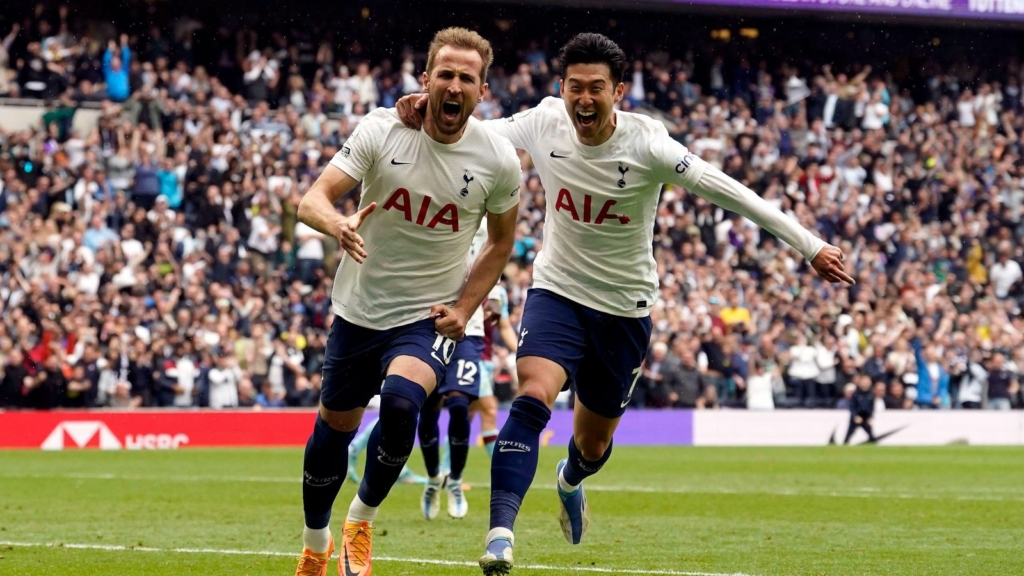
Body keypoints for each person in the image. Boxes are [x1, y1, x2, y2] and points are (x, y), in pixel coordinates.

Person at [397, 32, 852, 576]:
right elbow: (472, 131)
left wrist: (810, 245)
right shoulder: (544, 121)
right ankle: (500, 535)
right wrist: (420, 110)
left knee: (592, 444)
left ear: (618, 92)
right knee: (533, 395)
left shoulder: (649, 145)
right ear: (561, 88)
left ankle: (570, 479)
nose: (583, 100)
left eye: (596, 89)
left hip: (624, 308)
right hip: (557, 291)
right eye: (574, 88)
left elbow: (729, 190)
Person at [292, 28, 521, 576]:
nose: (455, 85)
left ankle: (360, 521)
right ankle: (314, 542)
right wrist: (337, 222)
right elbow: (311, 200)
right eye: (445, 74)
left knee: (400, 404)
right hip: (358, 308)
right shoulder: (383, 128)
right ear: (426, 80)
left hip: (426, 316)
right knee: (333, 429)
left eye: (467, 77)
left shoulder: (497, 159)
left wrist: (465, 308)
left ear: (482, 91)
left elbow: (501, 242)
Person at [843, 375, 876, 444]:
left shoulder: (871, 394)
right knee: (848, 436)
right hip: (857, 417)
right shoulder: (855, 394)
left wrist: (871, 417)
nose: (865, 384)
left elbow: (872, 407)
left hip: (866, 417)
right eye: (864, 382)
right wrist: (855, 416)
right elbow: (852, 407)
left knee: (872, 437)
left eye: (867, 382)